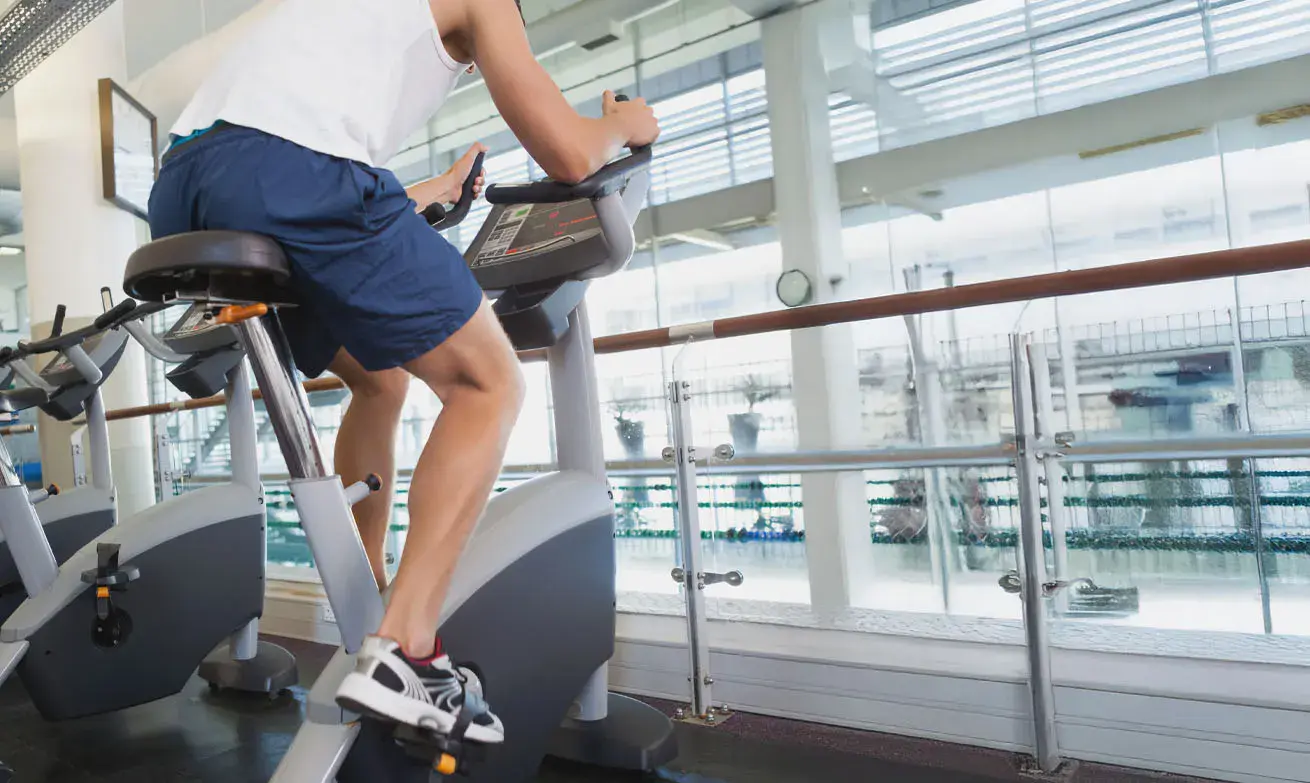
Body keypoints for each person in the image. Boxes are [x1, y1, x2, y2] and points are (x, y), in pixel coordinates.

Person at [148, 0, 660, 745]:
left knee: (381, 379)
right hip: (294, 169)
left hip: (189, 187)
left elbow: (277, 152)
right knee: (488, 384)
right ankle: (405, 646)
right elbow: (571, 154)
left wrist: (424, 192)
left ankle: (375, 601)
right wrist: (626, 124)